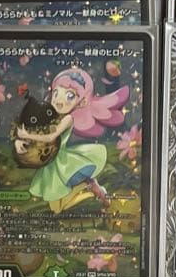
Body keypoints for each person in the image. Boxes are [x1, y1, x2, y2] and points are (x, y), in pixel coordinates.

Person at [15, 67, 128, 215]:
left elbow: (50, 136)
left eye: (69, 96)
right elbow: (39, 130)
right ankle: (90, 187)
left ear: (81, 102)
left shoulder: (68, 118)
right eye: (56, 93)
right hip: (50, 162)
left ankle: (91, 189)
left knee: (58, 206)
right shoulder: (52, 114)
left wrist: (27, 135)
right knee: (56, 207)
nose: (59, 100)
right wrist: (20, 141)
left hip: (62, 163)